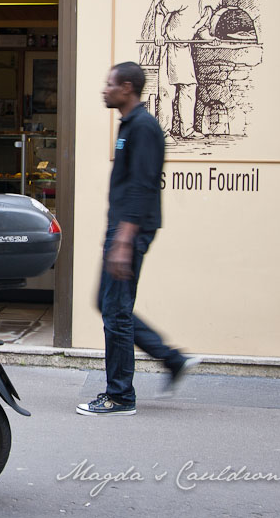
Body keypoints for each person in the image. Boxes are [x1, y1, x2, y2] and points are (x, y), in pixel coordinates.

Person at [77, 62, 200, 416]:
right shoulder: (130, 125)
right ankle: (172, 359)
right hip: (123, 228)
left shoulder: (144, 127)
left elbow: (144, 186)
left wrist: (123, 240)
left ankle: (119, 396)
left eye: (109, 84)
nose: (104, 89)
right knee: (109, 303)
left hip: (129, 230)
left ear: (127, 88)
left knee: (115, 310)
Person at [152, 0, 224, 143]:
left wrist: (211, 39)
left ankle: (187, 130)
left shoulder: (207, 12)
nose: (221, 2)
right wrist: (158, 34)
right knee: (167, 91)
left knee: (189, 88)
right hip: (169, 47)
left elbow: (202, 31)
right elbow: (161, 9)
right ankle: (164, 133)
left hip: (185, 50)